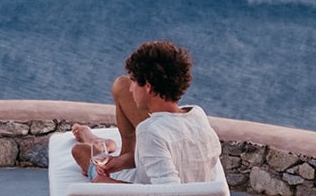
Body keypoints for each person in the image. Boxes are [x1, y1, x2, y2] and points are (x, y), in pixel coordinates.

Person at [70, 40, 223, 186]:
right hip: (191, 195)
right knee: (121, 87)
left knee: (80, 151)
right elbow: (172, 160)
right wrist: (120, 162)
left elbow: (170, 195)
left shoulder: (150, 131)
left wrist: (107, 183)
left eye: (134, 81)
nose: (131, 89)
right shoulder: (197, 115)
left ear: (148, 87)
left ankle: (95, 142)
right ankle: (101, 144)